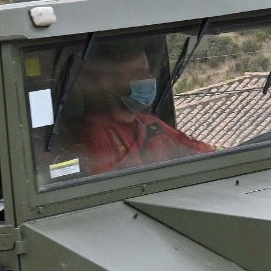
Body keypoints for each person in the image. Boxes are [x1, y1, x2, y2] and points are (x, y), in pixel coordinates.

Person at [69, 42, 211, 174]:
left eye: (148, 71)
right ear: (108, 82)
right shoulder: (96, 131)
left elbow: (198, 150)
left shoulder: (149, 122)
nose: (149, 78)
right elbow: (111, 184)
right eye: (138, 72)